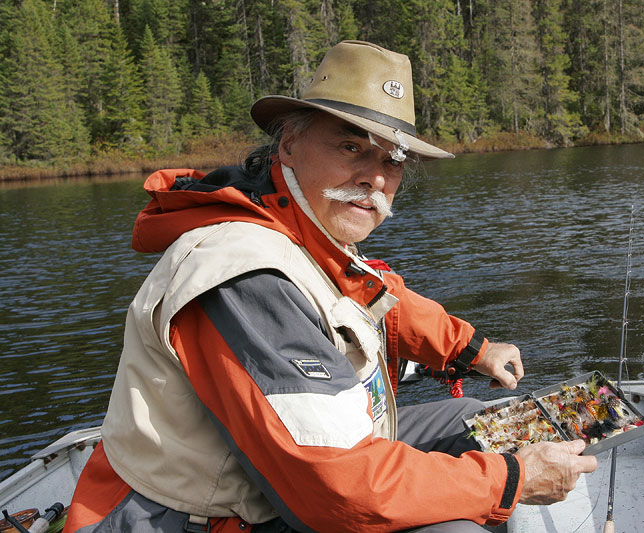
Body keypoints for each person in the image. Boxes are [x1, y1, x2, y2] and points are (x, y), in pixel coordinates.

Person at [65, 40, 596, 533]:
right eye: (351, 147)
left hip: (280, 479)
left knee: (483, 423)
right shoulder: (243, 273)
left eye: (393, 160)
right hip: (202, 517)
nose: (375, 177)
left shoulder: (302, 228)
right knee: (459, 521)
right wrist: (511, 480)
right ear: (290, 145)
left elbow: (378, 297)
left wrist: (471, 348)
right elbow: (335, 487)